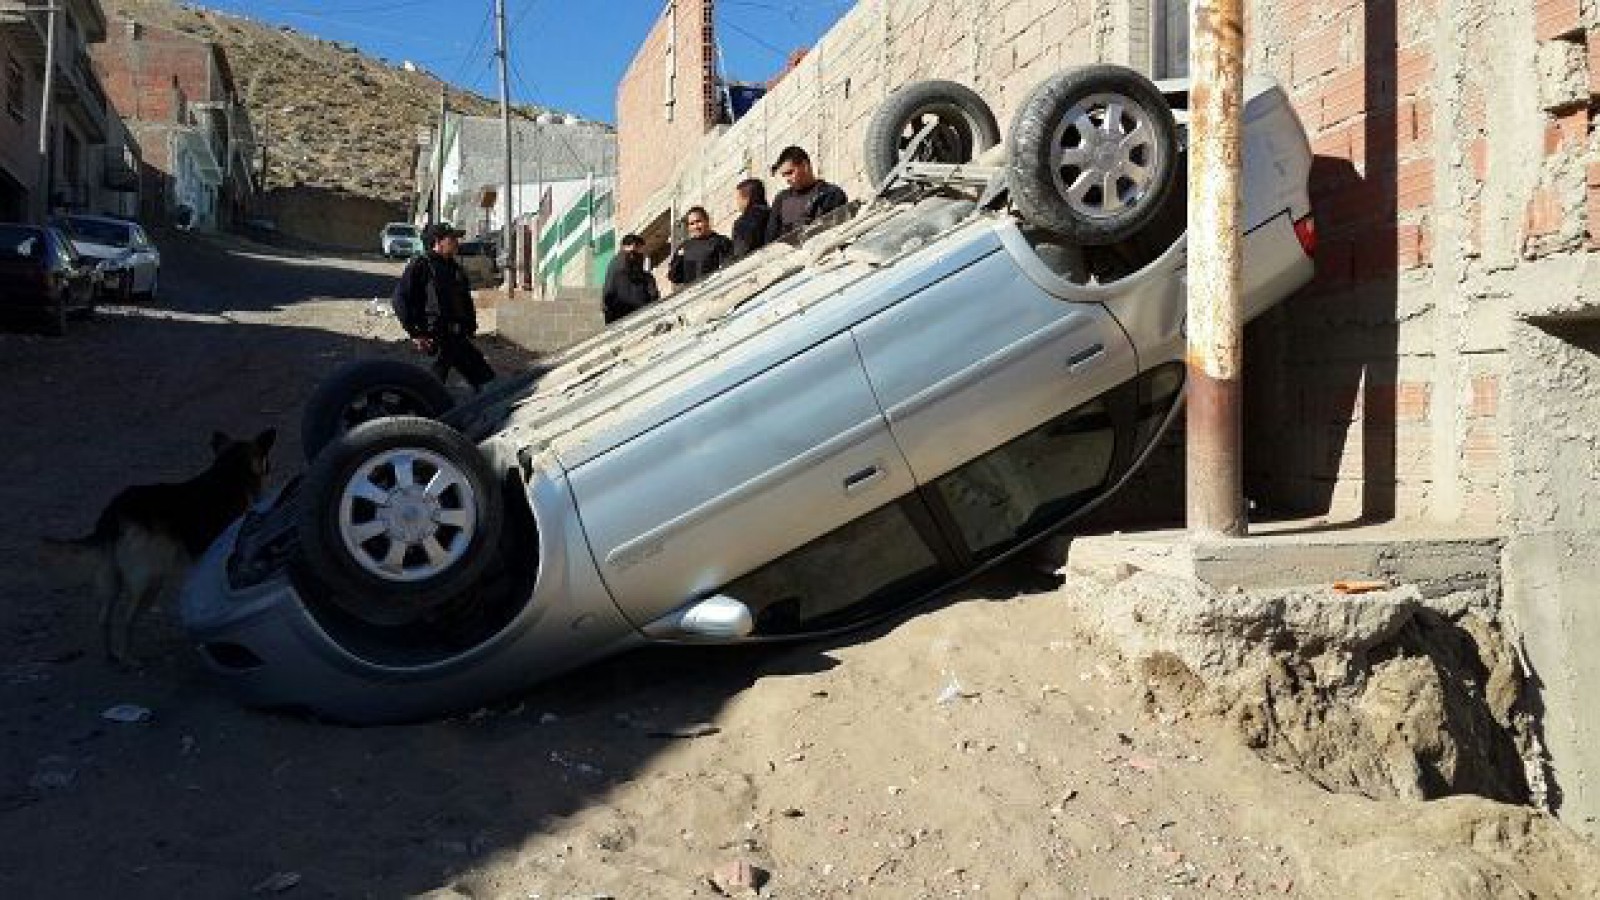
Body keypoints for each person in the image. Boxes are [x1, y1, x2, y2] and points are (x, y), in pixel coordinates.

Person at [393, 222, 496, 392]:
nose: (457, 242)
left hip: (457, 338)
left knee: (486, 380)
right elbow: (400, 299)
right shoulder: (421, 265)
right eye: (452, 238)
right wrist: (415, 333)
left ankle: (487, 416)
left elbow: (463, 301)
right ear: (438, 241)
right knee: (428, 391)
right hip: (435, 340)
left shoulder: (454, 268)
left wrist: (469, 327)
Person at [766, 145, 849, 243]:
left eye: (790, 172)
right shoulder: (781, 199)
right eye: (784, 175)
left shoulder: (831, 194)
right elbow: (770, 241)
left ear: (805, 166)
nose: (787, 179)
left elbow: (836, 233)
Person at [668, 206, 734, 287]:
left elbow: (728, 269)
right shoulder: (684, 247)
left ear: (707, 221)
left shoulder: (721, 242)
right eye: (692, 224)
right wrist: (679, 258)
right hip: (692, 295)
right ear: (688, 227)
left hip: (715, 289)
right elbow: (674, 277)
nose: (696, 227)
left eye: (698, 221)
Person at [602, 233, 660, 324]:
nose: (642, 253)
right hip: (633, 313)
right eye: (640, 248)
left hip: (618, 316)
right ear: (634, 246)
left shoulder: (615, 261)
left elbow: (608, 294)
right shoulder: (627, 260)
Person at [731, 178, 771, 259]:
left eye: (738, 198)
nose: (737, 203)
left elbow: (741, 253)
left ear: (746, 198)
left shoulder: (742, 222)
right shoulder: (773, 213)